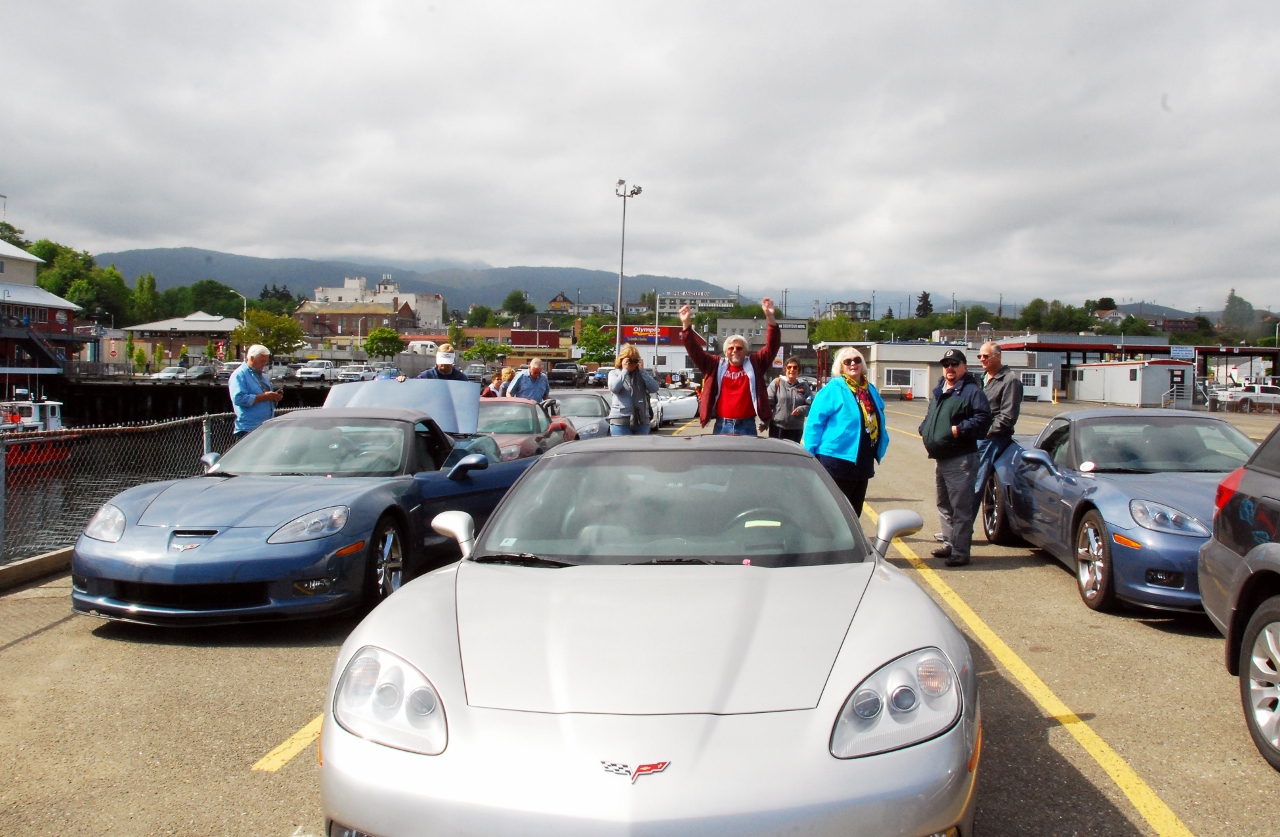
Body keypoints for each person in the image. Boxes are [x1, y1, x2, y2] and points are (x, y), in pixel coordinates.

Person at [918, 349, 992, 567]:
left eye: (955, 364)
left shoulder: (971, 392)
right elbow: (931, 414)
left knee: (961, 507)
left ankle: (960, 551)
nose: (950, 368)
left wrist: (958, 430)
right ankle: (950, 544)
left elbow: (983, 418)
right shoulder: (941, 389)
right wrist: (925, 428)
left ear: (964, 367)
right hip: (942, 457)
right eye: (946, 364)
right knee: (944, 504)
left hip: (961, 459)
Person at [803, 347, 887, 517]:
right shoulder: (833, 389)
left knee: (854, 513)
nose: (853, 364)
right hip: (836, 461)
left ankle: (850, 543)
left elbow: (880, 414)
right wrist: (808, 457)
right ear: (840, 367)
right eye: (847, 361)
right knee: (833, 513)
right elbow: (814, 424)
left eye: (857, 360)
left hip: (862, 460)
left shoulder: (869, 389)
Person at [680, 297, 780, 435]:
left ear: (745, 350)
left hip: (748, 425)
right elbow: (694, 351)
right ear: (726, 352)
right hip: (722, 425)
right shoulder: (715, 365)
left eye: (739, 348)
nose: (734, 351)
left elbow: (772, 346)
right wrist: (686, 324)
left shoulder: (755, 363)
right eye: (731, 348)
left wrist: (770, 316)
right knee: (721, 458)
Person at [975, 342, 1023, 493]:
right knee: (964, 476)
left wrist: (986, 431)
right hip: (976, 434)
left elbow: (1008, 417)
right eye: (980, 356)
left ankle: (965, 516)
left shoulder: (1010, 380)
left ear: (998, 356)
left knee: (975, 481)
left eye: (986, 356)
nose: (982, 359)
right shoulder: (982, 378)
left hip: (992, 438)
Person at [229, 344, 284, 440]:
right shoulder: (239, 375)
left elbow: (265, 398)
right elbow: (238, 398)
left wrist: (274, 398)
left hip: (265, 426)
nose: (264, 364)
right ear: (252, 358)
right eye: (261, 361)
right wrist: (264, 397)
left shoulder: (262, 376)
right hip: (249, 428)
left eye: (265, 361)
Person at [607, 344, 659, 435]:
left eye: (633, 360)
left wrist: (642, 371)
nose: (631, 363)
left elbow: (654, 388)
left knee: (640, 449)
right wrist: (624, 371)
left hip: (641, 419)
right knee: (622, 449)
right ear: (621, 360)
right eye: (628, 360)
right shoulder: (614, 373)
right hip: (620, 420)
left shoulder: (642, 375)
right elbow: (614, 388)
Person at [767, 357, 814, 442]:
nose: (792, 369)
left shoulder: (804, 386)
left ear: (798, 370)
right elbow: (767, 404)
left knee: (793, 454)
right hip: (777, 428)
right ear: (785, 369)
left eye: (795, 367)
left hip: (795, 429)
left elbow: (812, 406)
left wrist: (801, 410)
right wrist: (764, 422)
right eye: (789, 367)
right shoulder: (777, 383)